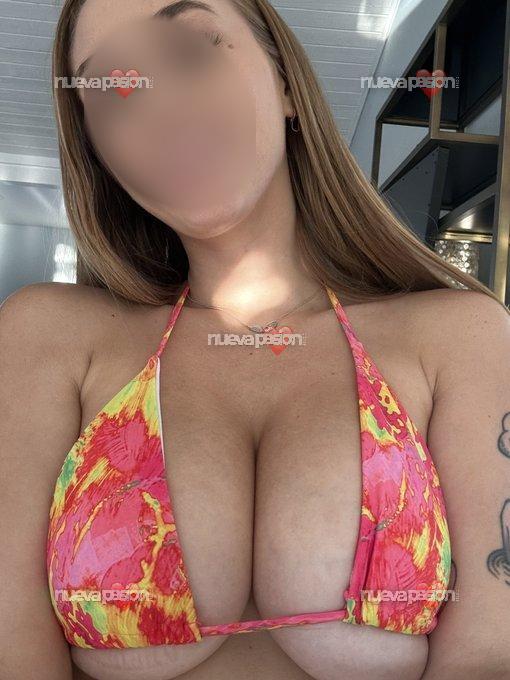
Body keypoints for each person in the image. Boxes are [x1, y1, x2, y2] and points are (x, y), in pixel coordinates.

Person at [1, 1, 509, 679]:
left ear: (288, 85)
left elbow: (491, 652)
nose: (161, 107)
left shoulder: (461, 336)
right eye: (112, 89)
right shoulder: (48, 336)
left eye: (191, 51)